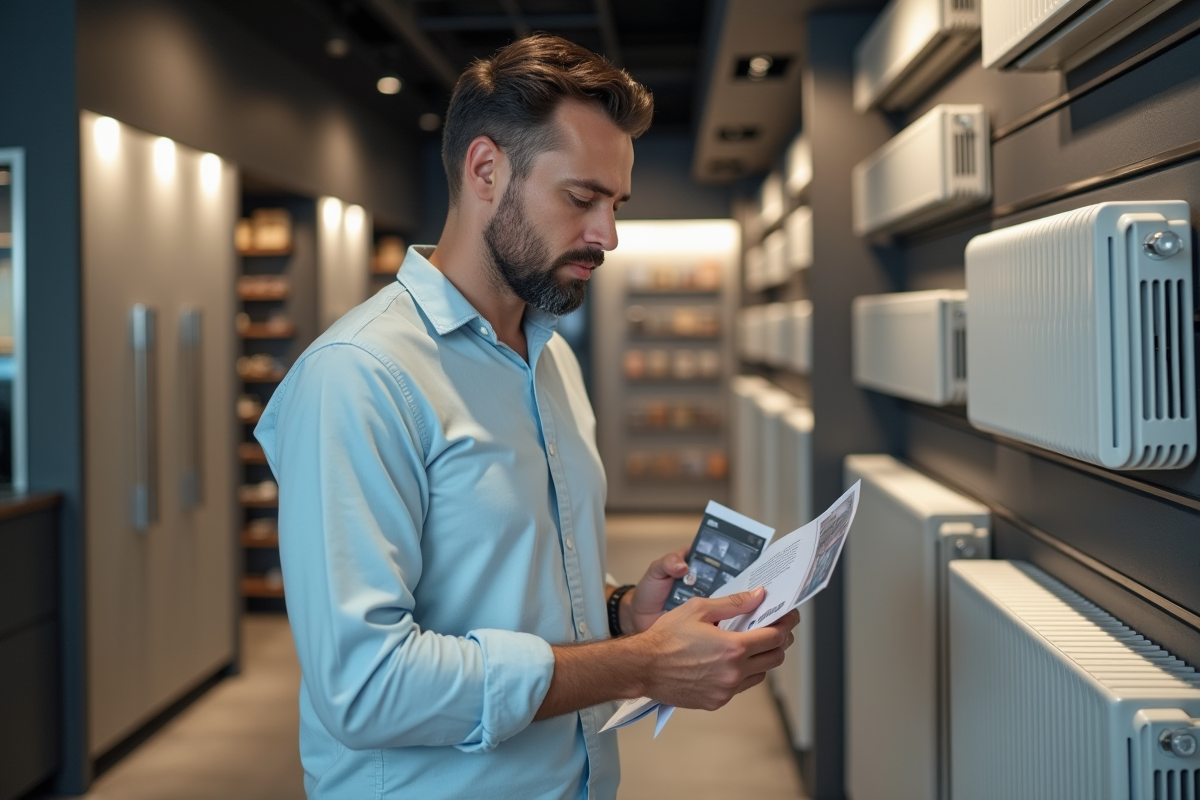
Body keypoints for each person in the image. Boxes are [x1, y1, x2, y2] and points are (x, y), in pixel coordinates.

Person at [255, 33, 800, 800]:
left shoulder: (550, 362)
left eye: (615, 204)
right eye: (581, 198)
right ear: (486, 170)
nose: (607, 235)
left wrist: (620, 614)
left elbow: (510, 586)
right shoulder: (360, 376)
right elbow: (365, 686)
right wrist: (639, 665)